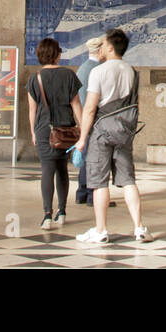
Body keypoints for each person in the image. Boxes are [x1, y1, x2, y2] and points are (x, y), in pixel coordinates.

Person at [74, 28, 153, 244]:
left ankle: (101, 230)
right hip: (124, 131)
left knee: (99, 182)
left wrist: (82, 138)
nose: (101, 48)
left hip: (101, 131)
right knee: (128, 180)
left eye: (103, 44)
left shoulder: (97, 72)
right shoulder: (132, 71)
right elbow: (135, 103)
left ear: (110, 47)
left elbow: (90, 108)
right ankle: (139, 227)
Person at [26, 37, 83, 229]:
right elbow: (76, 105)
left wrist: (33, 132)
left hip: (44, 130)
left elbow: (32, 110)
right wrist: (83, 129)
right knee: (62, 171)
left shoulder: (35, 78)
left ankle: (47, 215)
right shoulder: (68, 75)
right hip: (66, 131)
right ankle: (62, 211)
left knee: (47, 170)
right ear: (57, 55)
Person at [74, 37, 104, 206]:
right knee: (95, 159)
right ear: (99, 50)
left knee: (86, 155)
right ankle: (93, 195)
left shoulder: (82, 68)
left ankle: (82, 192)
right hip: (96, 118)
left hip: (84, 118)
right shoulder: (99, 69)